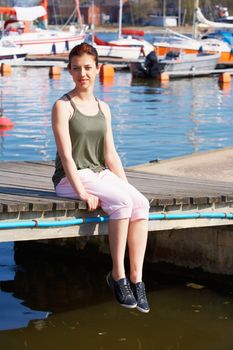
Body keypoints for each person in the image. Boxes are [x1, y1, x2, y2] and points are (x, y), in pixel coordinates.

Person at [51, 42, 150, 313]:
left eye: (87, 67)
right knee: (121, 203)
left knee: (140, 204)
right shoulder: (63, 106)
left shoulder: (103, 107)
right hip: (70, 179)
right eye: (76, 68)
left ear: (97, 69)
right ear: (70, 71)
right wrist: (81, 192)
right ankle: (117, 275)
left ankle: (136, 279)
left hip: (99, 173)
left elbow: (111, 155)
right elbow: (67, 157)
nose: (82, 73)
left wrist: (126, 187)